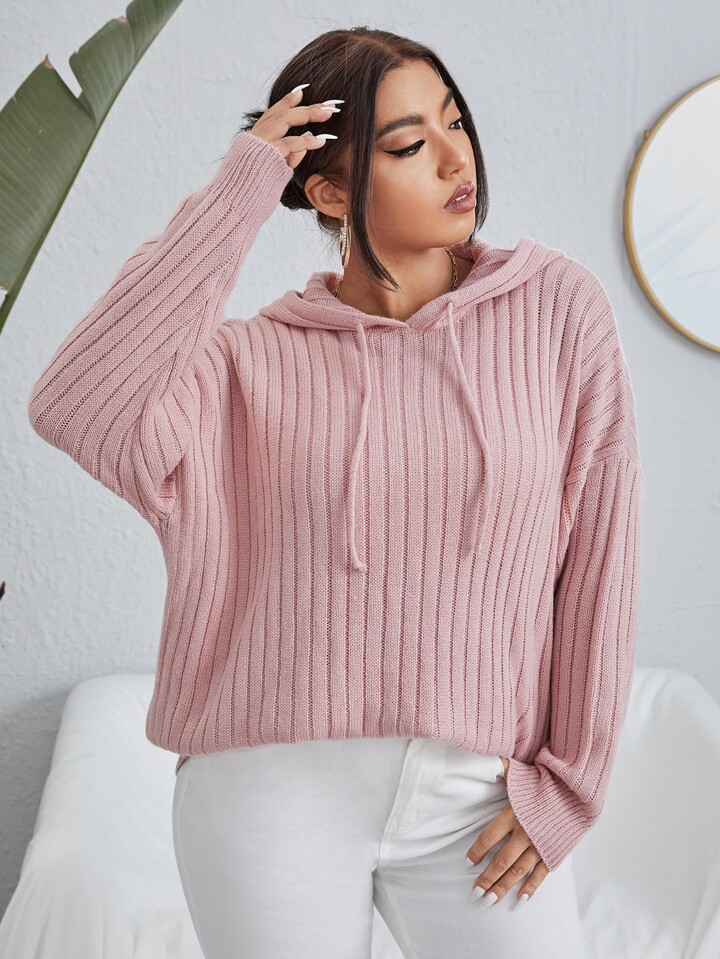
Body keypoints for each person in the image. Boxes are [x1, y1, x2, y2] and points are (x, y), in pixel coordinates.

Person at [27, 25, 643, 959]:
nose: (456, 160)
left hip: (477, 798)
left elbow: (602, 557)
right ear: (328, 192)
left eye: (454, 123)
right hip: (266, 796)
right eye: (408, 145)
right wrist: (238, 192)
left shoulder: (557, 312)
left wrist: (570, 786)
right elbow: (76, 401)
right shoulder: (242, 367)